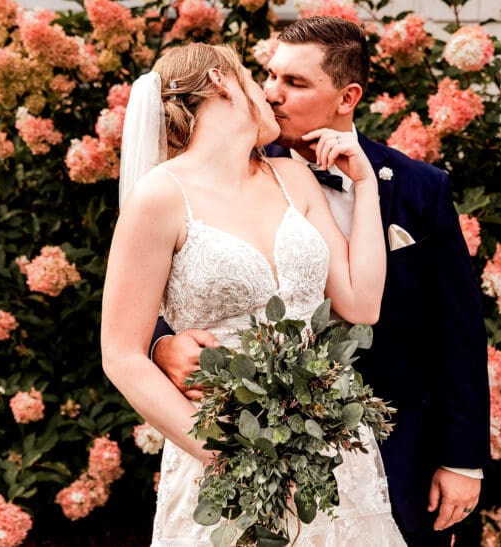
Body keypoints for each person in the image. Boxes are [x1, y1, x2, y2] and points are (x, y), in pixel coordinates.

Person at [152, 17, 490, 546]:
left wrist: (463, 460)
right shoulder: (222, 178)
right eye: (269, 76)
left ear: (346, 96)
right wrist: (161, 346)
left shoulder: (420, 189)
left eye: (296, 83)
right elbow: (178, 283)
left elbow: (459, 331)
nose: (272, 94)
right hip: (245, 442)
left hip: (393, 451)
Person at [101, 42, 407, 545]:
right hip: (224, 447)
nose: (267, 93)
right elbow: (121, 356)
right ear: (223, 81)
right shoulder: (159, 196)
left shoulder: (290, 177)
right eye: (253, 76)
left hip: (329, 448)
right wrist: (230, 455)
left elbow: (361, 303)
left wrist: (366, 185)